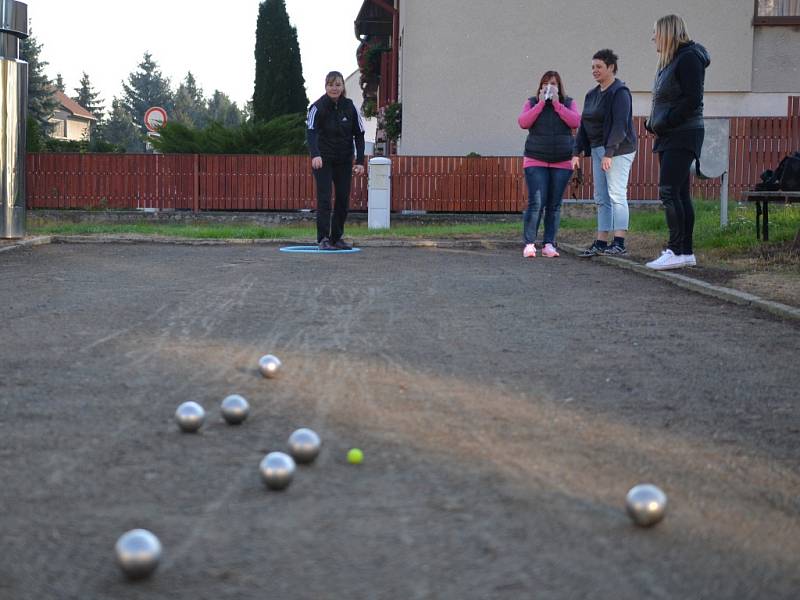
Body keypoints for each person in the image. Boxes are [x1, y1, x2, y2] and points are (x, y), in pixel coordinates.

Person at [645, 15, 710, 270]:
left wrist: (667, 120)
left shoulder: (689, 58)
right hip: (671, 133)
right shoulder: (673, 60)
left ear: (668, 33)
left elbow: (693, 98)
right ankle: (684, 252)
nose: (653, 38)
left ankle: (676, 250)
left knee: (669, 191)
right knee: (680, 193)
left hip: (683, 133)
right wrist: (655, 122)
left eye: (655, 33)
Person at [572, 49, 637, 257]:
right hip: (598, 149)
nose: (595, 71)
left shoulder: (620, 92)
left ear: (611, 67)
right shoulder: (591, 95)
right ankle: (601, 242)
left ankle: (619, 242)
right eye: (592, 67)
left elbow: (620, 125)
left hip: (618, 150)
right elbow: (584, 125)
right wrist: (576, 151)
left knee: (616, 194)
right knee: (601, 197)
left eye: (599, 67)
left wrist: (609, 153)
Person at [517, 71, 581, 258]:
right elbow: (523, 122)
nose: (548, 87)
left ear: (559, 86)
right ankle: (529, 243)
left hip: (561, 160)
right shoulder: (531, 102)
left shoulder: (568, 103)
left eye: (552, 84)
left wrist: (556, 104)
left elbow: (575, 122)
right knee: (536, 202)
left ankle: (549, 244)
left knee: (554, 205)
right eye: (545, 84)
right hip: (535, 159)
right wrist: (540, 104)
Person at [306, 71, 366, 251]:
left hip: (344, 160)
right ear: (326, 87)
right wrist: (315, 154)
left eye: (338, 84)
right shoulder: (317, 107)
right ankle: (323, 238)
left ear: (342, 87)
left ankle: (336, 238)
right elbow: (311, 132)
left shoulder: (350, 106)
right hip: (323, 160)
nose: (334, 88)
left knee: (342, 199)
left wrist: (360, 161)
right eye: (331, 84)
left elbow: (360, 135)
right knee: (324, 199)